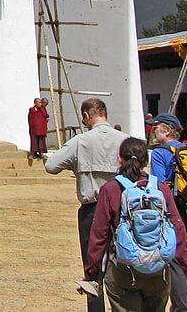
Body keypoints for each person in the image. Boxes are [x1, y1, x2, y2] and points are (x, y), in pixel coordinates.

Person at [84, 137, 187, 310]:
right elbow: (179, 235)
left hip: (123, 271)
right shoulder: (161, 189)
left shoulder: (110, 189)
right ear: (146, 161)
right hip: (158, 272)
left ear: (119, 158)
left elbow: (99, 236)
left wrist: (92, 275)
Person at [44, 97, 129, 312]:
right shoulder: (125, 140)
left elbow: (51, 165)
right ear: (106, 114)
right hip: (124, 209)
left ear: (85, 117)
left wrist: (75, 163)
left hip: (93, 210)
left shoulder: (81, 141)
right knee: (126, 262)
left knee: (93, 267)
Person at [149, 113, 187, 312]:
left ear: (165, 130)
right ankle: (185, 301)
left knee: (175, 260)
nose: (152, 130)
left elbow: (159, 185)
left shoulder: (159, 152)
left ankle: (181, 307)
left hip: (173, 212)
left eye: (155, 127)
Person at [27, 97, 50, 164]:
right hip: (34, 129)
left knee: (41, 142)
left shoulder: (42, 109)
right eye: (39, 102)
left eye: (41, 102)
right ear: (35, 103)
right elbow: (31, 119)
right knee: (34, 142)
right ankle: (32, 154)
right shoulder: (32, 110)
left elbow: (45, 116)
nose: (41, 104)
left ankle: (41, 154)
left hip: (41, 129)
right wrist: (32, 127)